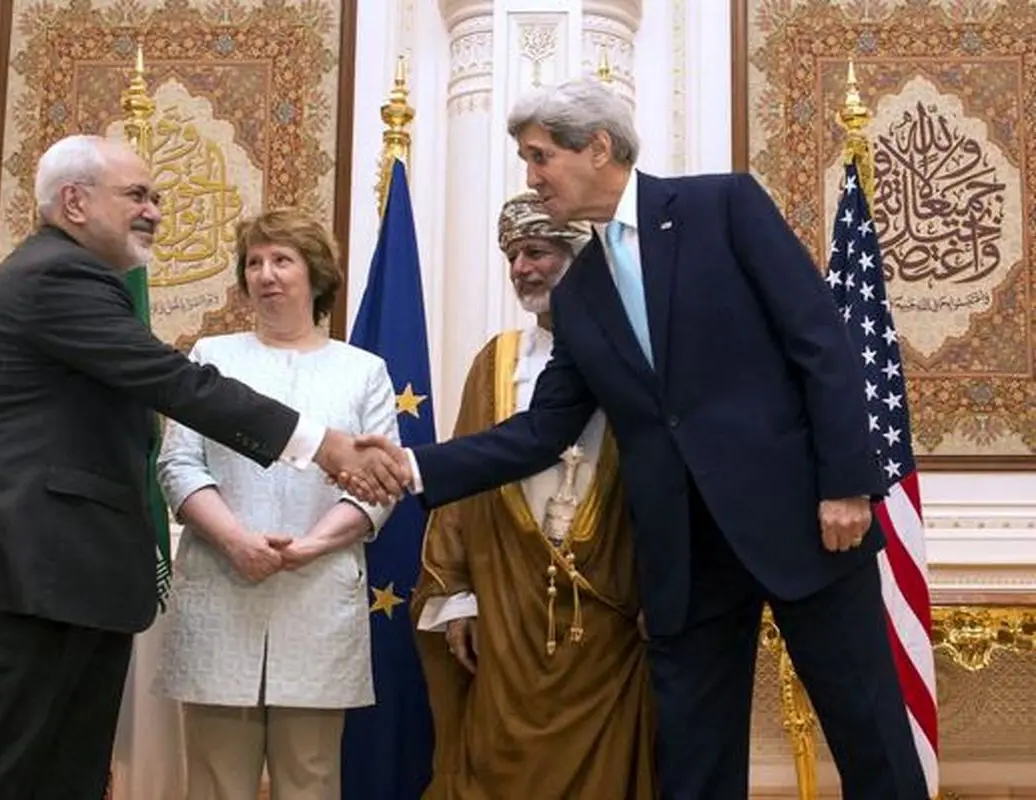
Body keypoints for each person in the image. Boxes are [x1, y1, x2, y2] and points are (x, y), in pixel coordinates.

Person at [356, 78, 929, 799]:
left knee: (869, 737)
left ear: (598, 147)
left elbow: (820, 343)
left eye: (540, 156)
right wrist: (411, 466)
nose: (531, 177)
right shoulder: (579, 292)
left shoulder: (722, 207)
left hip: (803, 523)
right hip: (685, 557)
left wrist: (846, 483)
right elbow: (541, 431)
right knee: (693, 767)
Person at [0, 134, 405, 800]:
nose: (154, 212)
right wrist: (324, 445)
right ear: (75, 203)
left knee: (61, 779)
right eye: (137, 195)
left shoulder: (74, 278)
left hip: (56, 579)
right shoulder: (57, 276)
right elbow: (174, 383)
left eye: (157, 197)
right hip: (19, 572)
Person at [411, 192, 656, 799]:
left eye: (537, 251)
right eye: (513, 256)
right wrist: (457, 595)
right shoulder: (498, 362)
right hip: (506, 604)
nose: (522, 268)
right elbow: (461, 486)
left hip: (612, 608)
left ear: (579, 256)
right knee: (495, 760)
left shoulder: (638, 352)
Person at [154, 208, 398, 800]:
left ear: (316, 275)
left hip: (318, 596)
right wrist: (236, 541)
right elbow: (178, 465)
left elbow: (378, 483)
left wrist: (310, 546)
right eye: (254, 262)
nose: (265, 274)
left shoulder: (363, 371)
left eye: (282, 260)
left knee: (311, 779)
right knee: (215, 784)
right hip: (222, 589)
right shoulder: (212, 357)